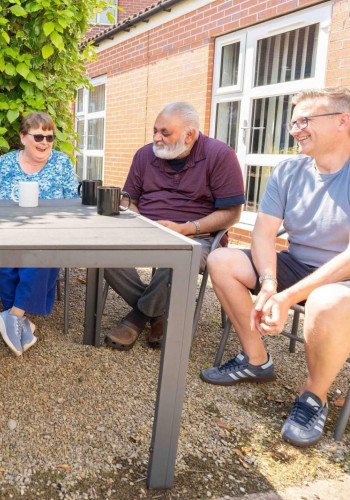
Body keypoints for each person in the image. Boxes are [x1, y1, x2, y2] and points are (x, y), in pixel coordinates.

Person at [201, 87, 350, 447]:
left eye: (305, 120)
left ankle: (314, 396)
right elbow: (264, 233)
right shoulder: (289, 171)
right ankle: (256, 359)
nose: (296, 129)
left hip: (343, 279)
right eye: (293, 122)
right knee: (221, 259)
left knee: (326, 300)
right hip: (297, 264)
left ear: (343, 121)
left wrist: (287, 297)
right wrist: (269, 283)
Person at [104, 102, 244, 350]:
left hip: (197, 236)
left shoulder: (220, 155)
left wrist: (185, 229)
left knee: (178, 257)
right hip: (146, 229)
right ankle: (157, 314)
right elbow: (129, 200)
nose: (157, 138)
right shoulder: (145, 155)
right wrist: (140, 223)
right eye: (155, 131)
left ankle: (137, 318)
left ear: (189, 135)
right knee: (102, 251)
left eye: (165, 133)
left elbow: (231, 213)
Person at [0, 112, 79, 356]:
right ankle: (20, 319)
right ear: (23, 137)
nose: (45, 142)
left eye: (50, 137)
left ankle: (14, 314)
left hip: (46, 232)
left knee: (42, 257)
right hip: (7, 231)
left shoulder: (62, 163)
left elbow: (73, 201)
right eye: (38, 136)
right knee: (0, 258)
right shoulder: (5, 162)